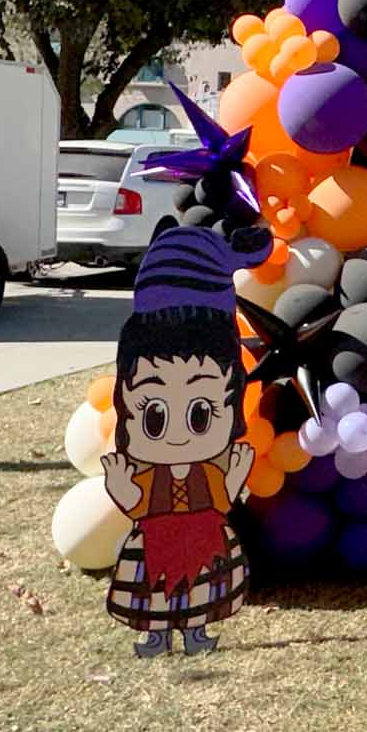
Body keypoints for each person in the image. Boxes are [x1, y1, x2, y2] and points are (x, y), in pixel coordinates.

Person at [102, 224, 270, 657]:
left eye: (201, 414)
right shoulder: (149, 469)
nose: (177, 435)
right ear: (126, 399)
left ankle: (195, 633)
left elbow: (220, 500)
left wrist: (233, 477)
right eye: (154, 416)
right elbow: (139, 506)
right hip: (156, 538)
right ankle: (156, 636)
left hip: (203, 538)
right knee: (153, 588)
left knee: (200, 589)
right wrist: (123, 489)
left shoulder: (209, 465)